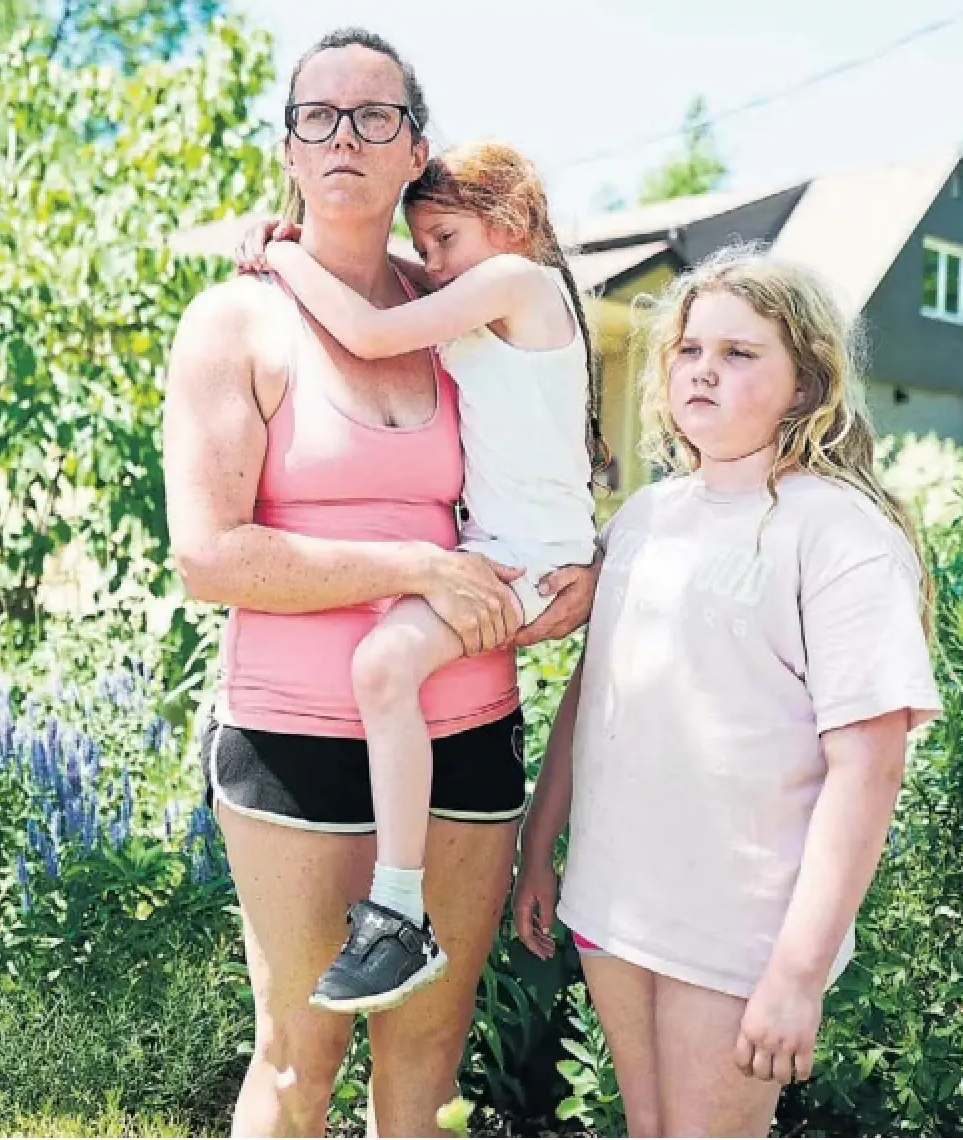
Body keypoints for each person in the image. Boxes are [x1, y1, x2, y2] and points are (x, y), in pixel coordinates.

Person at [162, 27, 597, 1136]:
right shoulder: (238, 319)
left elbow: (549, 457)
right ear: (289, 151)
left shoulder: (457, 304)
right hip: (296, 734)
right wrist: (412, 568)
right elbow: (206, 556)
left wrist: (572, 583)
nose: (343, 134)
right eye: (318, 116)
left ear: (415, 150)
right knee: (299, 1064)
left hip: (469, 728)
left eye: (374, 115)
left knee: (424, 1068)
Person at [511, 245, 942, 1136]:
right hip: (615, 903)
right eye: (691, 349)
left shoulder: (838, 535)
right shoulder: (642, 519)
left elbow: (868, 770)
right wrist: (538, 844)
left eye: (741, 353)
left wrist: (796, 971)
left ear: (807, 382)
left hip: (740, 930)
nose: (705, 369)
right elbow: (595, 693)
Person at [234, 139, 601, 1013]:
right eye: (423, 246)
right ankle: (397, 911)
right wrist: (311, 239)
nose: (431, 265)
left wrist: (284, 253)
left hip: (526, 563)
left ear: (508, 224)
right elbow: (393, 282)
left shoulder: (519, 285)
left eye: (445, 240)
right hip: (520, 551)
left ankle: (398, 913)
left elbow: (367, 328)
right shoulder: (498, 288)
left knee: (382, 667)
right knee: (387, 670)